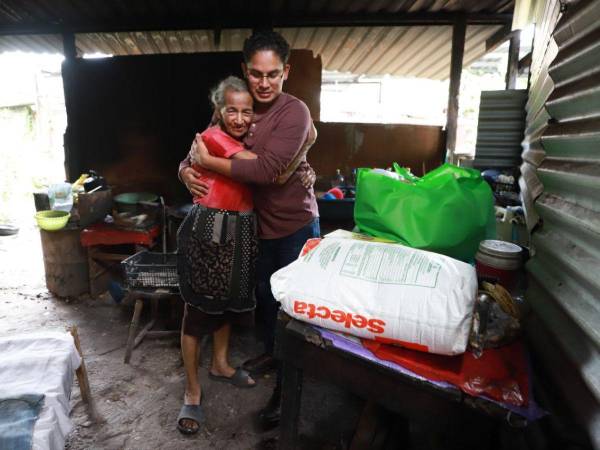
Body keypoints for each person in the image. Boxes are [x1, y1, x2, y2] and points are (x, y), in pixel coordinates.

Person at [179, 30, 320, 429]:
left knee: (292, 310)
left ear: (286, 72)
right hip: (247, 227)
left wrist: (208, 159)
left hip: (292, 226)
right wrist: (187, 170)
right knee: (261, 300)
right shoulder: (236, 103)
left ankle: (285, 392)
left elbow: (266, 171)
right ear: (245, 71)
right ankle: (271, 356)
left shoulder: (294, 113)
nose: (263, 83)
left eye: (272, 74)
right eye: (256, 73)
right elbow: (197, 150)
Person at [176, 76, 259, 436]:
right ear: (219, 110)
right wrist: (298, 151)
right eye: (231, 111)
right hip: (210, 230)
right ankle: (192, 390)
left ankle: (220, 364)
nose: (239, 118)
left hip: (240, 230)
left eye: (247, 111)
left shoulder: (236, 138)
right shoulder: (213, 138)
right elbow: (262, 166)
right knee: (198, 312)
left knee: (225, 304)